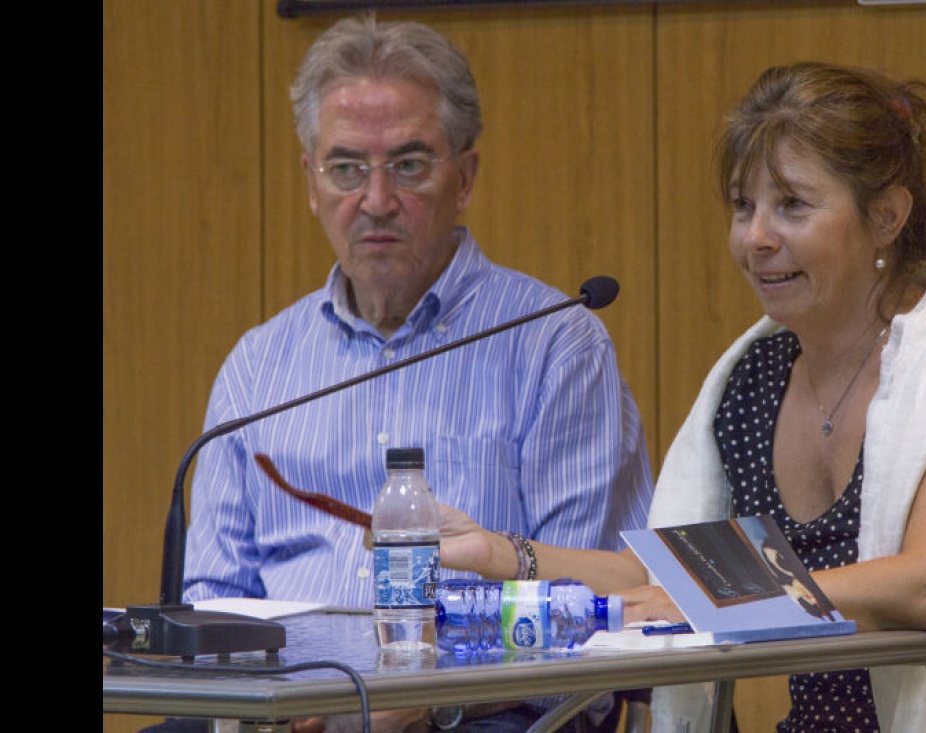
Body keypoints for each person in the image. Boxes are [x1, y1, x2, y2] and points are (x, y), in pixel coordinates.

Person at [435, 61, 926, 732]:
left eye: (792, 205)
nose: (755, 237)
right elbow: (657, 573)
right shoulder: (755, 379)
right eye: (742, 205)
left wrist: (707, 598)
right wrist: (500, 553)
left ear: (887, 217)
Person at [144, 13, 655, 733]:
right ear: (310, 181)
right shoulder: (258, 365)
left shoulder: (555, 347)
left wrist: (427, 699)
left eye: (409, 165)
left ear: (464, 177)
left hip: (484, 715)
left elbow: (591, 615)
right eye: (347, 167)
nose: (376, 200)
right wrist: (269, 708)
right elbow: (214, 602)